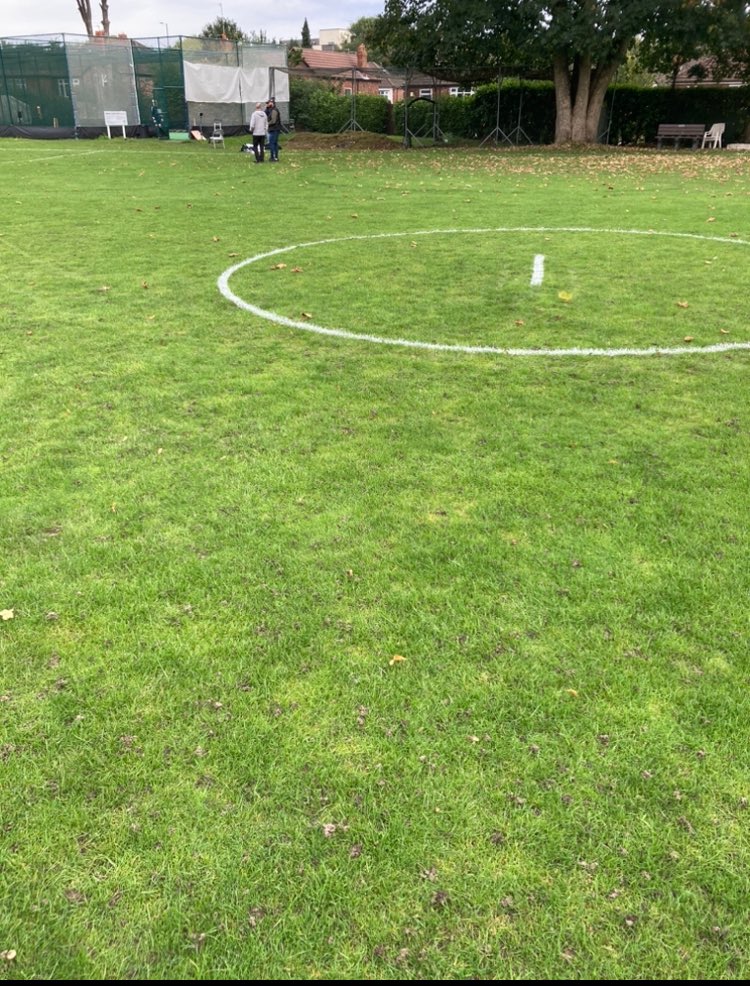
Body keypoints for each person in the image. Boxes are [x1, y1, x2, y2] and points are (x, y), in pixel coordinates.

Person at [266, 98, 281, 162]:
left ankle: (273, 157)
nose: (267, 104)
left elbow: (273, 121)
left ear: (272, 103)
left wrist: (267, 124)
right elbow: (266, 113)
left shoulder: (274, 110)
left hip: (274, 129)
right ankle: (275, 157)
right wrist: (267, 108)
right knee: (274, 143)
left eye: (268, 103)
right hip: (274, 129)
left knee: (272, 143)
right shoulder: (271, 110)